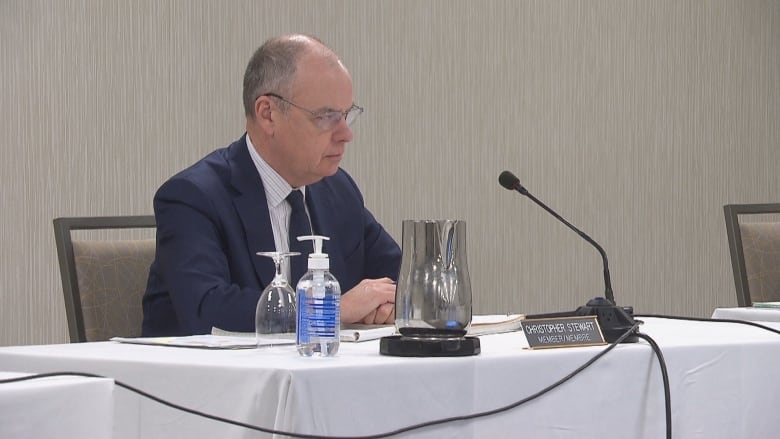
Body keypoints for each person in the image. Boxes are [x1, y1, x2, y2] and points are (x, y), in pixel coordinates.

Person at [142, 34, 401, 337]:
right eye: (327, 116)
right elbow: (207, 309)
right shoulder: (192, 197)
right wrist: (329, 310)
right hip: (205, 380)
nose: (345, 134)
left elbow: (399, 276)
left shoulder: (338, 190)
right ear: (268, 114)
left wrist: (393, 302)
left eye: (346, 115)